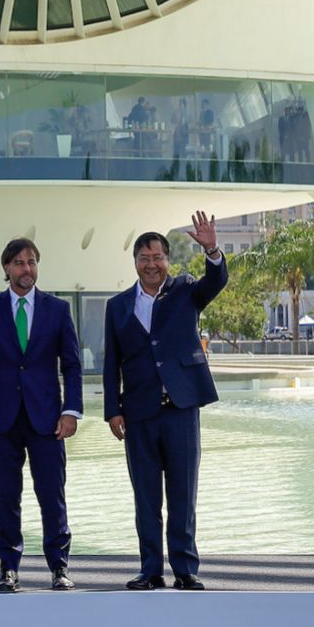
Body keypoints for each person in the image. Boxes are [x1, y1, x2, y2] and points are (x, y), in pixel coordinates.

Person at [103, 211, 227, 592]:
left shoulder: (187, 290)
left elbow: (216, 280)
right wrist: (112, 410)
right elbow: (111, 361)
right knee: (146, 497)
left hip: (181, 408)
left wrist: (212, 249)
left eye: (157, 257)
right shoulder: (119, 305)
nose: (151, 264)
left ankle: (185, 568)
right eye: (144, 258)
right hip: (139, 413)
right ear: (135, 263)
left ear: (167, 261)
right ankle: (151, 569)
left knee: (182, 493)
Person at [0, 239, 82, 592]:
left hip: (48, 420)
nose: (27, 269)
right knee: (6, 496)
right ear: (6, 268)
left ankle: (59, 567)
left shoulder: (58, 309)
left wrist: (71, 411)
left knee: (52, 495)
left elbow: (71, 365)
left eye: (32, 262)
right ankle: (9, 568)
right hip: (2, 419)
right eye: (19, 263)